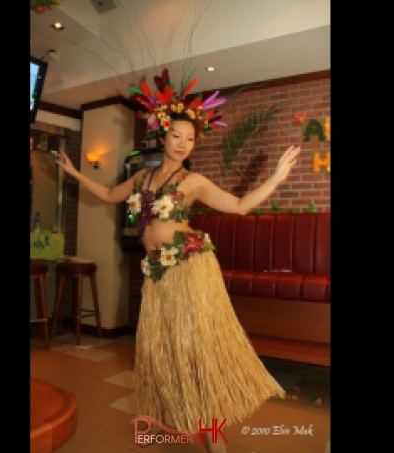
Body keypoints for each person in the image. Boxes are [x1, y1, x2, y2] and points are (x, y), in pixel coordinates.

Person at [54, 70, 300, 453]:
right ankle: (184, 418)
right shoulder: (140, 179)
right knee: (166, 350)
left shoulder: (194, 182)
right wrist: (74, 173)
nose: (183, 144)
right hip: (157, 275)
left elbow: (238, 206)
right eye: (177, 136)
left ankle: (212, 436)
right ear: (161, 136)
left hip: (190, 270)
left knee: (197, 349)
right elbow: (106, 193)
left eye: (190, 139)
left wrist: (276, 179)